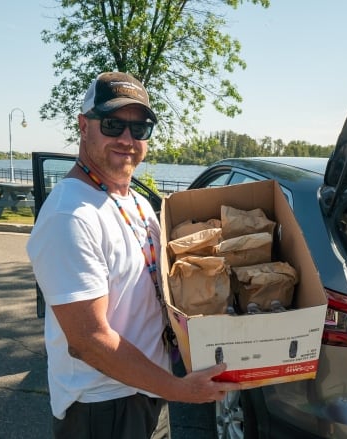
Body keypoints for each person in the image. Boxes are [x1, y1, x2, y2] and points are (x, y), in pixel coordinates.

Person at [27, 71, 240, 438]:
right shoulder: (70, 215)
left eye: (139, 129)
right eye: (113, 125)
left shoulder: (138, 203)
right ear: (84, 126)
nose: (127, 139)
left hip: (147, 390)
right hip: (101, 406)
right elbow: (88, 341)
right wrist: (181, 389)